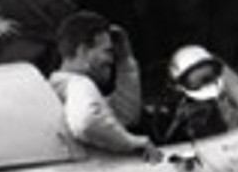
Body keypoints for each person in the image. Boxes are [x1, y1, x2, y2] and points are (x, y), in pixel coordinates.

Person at [49, 10, 159, 158]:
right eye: (107, 51)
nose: (111, 60)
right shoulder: (79, 84)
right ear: (83, 51)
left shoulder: (55, 88)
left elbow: (124, 115)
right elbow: (87, 122)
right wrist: (133, 142)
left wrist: (125, 61)